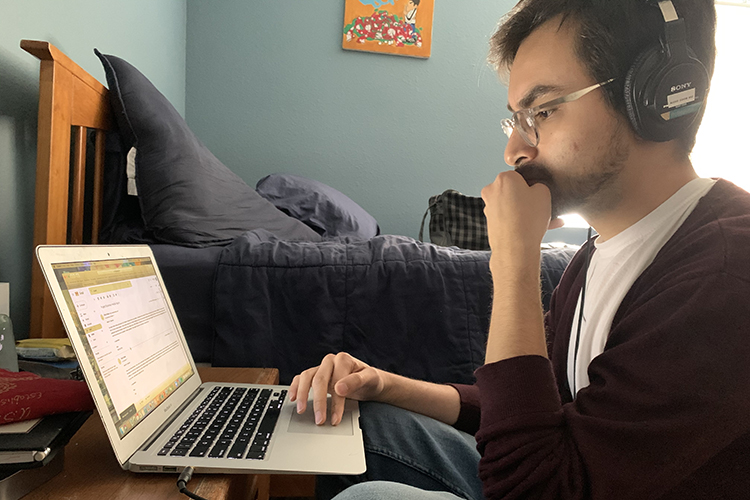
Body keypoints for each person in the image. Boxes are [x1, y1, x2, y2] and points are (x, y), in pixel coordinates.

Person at [290, 0, 750, 498]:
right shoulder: (596, 256)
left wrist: (514, 259)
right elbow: (527, 411)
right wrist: (384, 384)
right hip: (549, 468)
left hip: (544, 485)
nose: (515, 152)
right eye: (517, 119)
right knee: (358, 422)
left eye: (543, 111)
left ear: (657, 95)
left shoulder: (723, 276)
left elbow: (536, 488)